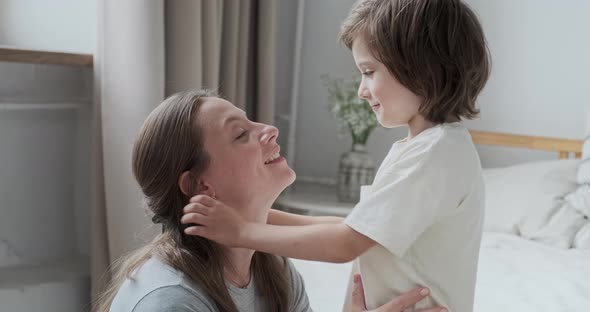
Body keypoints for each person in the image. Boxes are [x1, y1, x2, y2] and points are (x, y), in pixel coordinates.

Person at [181, 0, 491, 311]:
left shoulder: (434, 154)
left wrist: (242, 232)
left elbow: (345, 243)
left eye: (369, 72)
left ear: (420, 69)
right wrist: (256, 216)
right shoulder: (427, 147)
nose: (362, 90)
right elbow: (354, 227)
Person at [94, 90, 443, 312]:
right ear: (200, 184)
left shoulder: (271, 271)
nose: (269, 129)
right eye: (241, 134)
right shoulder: (171, 302)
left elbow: (350, 231)